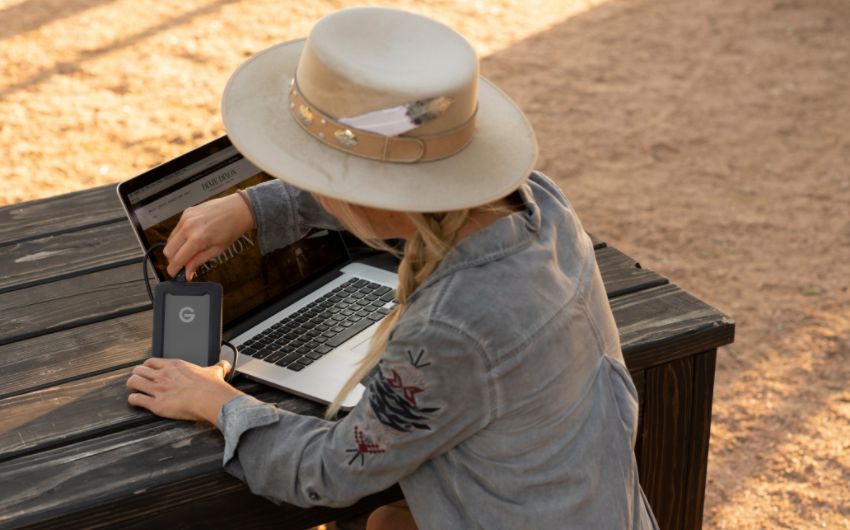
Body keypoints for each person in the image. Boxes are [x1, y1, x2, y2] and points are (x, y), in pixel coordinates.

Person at [125, 6, 659, 530]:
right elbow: (395, 193)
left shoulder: (450, 329)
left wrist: (214, 399)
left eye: (322, 178)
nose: (318, 192)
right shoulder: (539, 205)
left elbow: (329, 472)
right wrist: (253, 207)